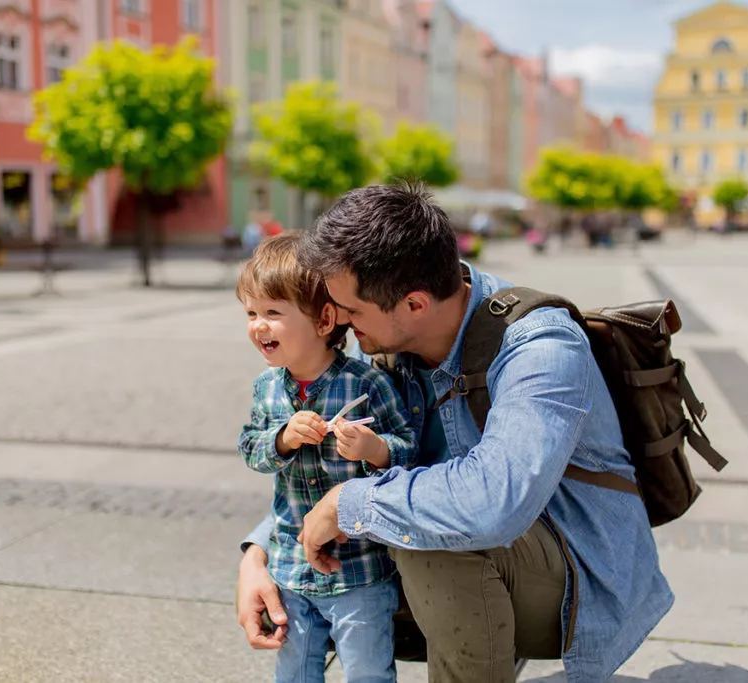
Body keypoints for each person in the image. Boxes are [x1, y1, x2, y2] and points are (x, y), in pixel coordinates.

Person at [237, 183, 673, 683]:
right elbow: (330, 469)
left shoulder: (540, 346)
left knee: (426, 537)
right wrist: (259, 554)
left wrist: (346, 505)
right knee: (401, 517)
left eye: (351, 312)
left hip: (579, 576)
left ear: (415, 304)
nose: (340, 324)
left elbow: (494, 502)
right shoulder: (383, 331)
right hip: (487, 555)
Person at [236, 233, 419, 683]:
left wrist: (373, 449)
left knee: (368, 672)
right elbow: (250, 450)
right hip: (290, 566)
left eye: (274, 313)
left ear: (323, 321)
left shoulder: (365, 385)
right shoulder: (267, 387)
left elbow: (408, 452)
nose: (259, 325)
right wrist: (280, 439)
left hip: (360, 568)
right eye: (252, 313)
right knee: (295, 671)